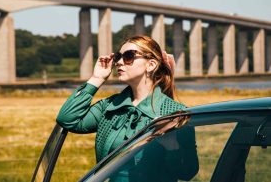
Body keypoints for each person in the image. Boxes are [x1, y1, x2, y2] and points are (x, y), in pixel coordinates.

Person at [56, 35, 196, 167]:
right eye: (118, 57)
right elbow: (67, 119)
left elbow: (187, 172)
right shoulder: (109, 106)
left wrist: (172, 146)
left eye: (129, 56)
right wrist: (97, 78)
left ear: (151, 64)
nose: (119, 62)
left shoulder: (175, 113)